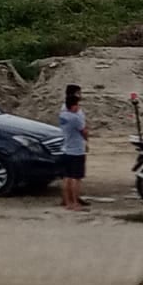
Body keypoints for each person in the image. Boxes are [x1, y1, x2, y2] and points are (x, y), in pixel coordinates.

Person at [58, 83, 89, 211]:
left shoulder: (63, 113)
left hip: (66, 147)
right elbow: (84, 131)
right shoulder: (75, 117)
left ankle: (67, 200)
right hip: (76, 149)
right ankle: (75, 202)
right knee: (76, 177)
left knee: (67, 176)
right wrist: (87, 140)